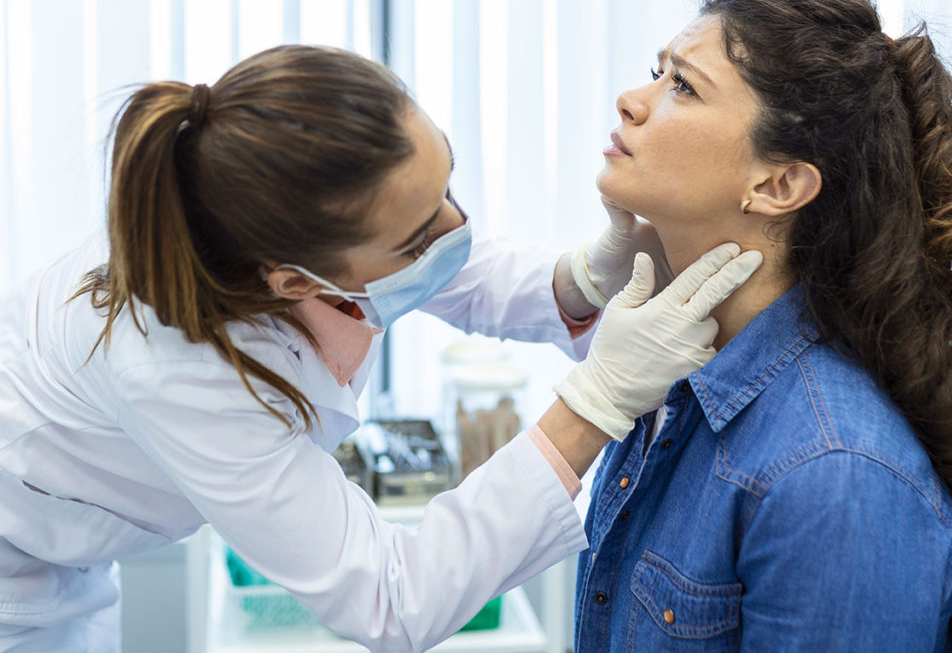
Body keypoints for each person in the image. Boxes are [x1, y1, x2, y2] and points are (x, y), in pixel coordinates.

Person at [0, 44, 761, 652]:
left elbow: (452, 272)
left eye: (446, 186)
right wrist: (597, 402)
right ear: (294, 280)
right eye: (419, 233)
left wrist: (583, 279)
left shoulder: (300, 218)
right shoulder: (172, 368)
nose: (456, 227)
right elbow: (393, 602)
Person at [571, 0, 952, 652]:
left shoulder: (833, 474)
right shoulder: (670, 377)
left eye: (683, 86)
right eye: (655, 73)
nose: (632, 101)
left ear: (779, 184)